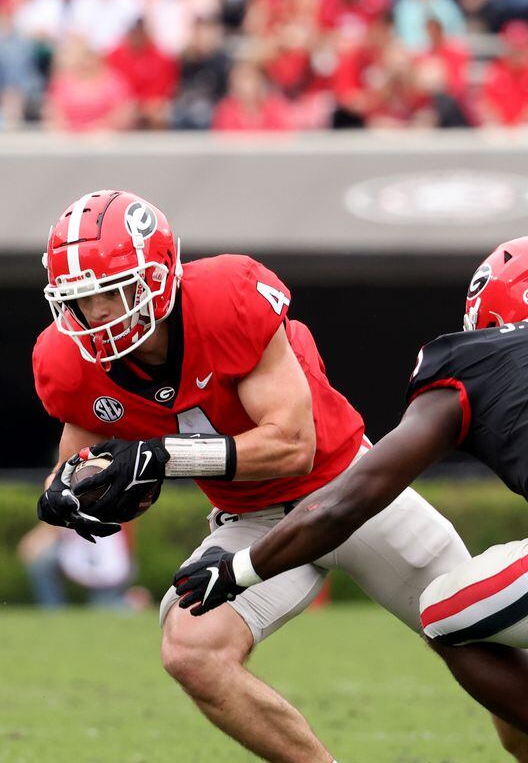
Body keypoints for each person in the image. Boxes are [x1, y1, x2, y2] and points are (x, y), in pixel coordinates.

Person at [31, 190, 512, 763]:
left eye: (110, 292)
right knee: (191, 650)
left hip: (352, 495)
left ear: (158, 275)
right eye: (81, 301)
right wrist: (67, 498)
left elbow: (291, 446)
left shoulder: (226, 298)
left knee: (488, 646)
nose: (97, 315)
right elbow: (82, 468)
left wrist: (162, 456)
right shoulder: (67, 362)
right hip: (252, 522)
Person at [172, 236, 528, 750]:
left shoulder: (472, 364)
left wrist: (236, 569)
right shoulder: (78, 368)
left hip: (318, 500)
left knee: (447, 617)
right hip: (258, 511)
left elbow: (346, 500)